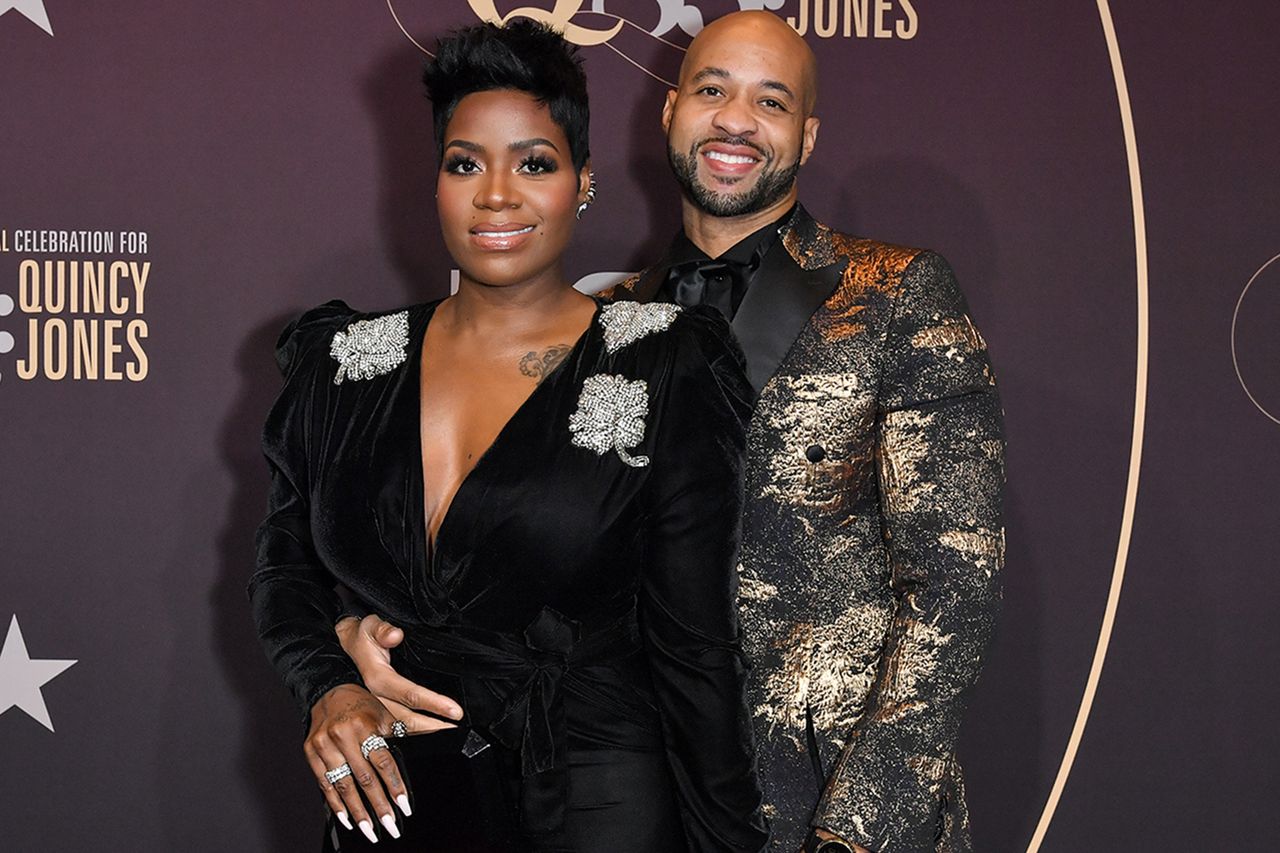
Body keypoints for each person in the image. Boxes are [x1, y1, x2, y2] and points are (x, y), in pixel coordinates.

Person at [340, 10, 1005, 853]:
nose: (735, 120)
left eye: (770, 102)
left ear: (806, 136)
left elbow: (954, 584)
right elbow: (517, 554)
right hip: (639, 803)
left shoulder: (897, 294)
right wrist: (350, 637)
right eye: (712, 90)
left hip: (827, 807)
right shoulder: (603, 328)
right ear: (670, 110)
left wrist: (857, 827)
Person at [249, 20, 769, 853]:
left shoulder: (661, 365)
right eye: (466, 163)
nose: (496, 194)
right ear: (436, 181)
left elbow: (697, 647)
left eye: (534, 163)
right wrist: (328, 686)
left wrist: (731, 842)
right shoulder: (344, 367)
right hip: (397, 808)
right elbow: (286, 569)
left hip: (595, 803)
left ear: (583, 180)